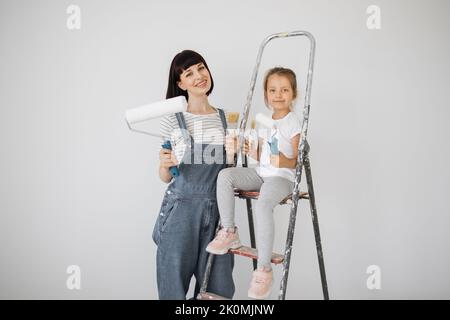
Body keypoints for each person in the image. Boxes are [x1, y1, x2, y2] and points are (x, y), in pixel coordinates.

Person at [206, 67, 302, 299]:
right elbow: (263, 156)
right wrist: (252, 150)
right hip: (262, 173)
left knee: (262, 204)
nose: (278, 95)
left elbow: (296, 161)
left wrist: (283, 160)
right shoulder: (264, 120)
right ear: (265, 94)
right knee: (225, 176)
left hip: (282, 178)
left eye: (284, 90)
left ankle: (264, 270)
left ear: (294, 94)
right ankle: (229, 231)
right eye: (272, 90)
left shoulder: (293, 122)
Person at [152, 50, 235, 300]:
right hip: (180, 213)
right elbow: (166, 176)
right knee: (173, 292)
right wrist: (165, 164)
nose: (199, 76)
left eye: (201, 68)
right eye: (189, 73)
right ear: (180, 84)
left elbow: (230, 172)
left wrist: (236, 153)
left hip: (219, 214)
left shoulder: (226, 119)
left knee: (218, 292)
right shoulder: (173, 120)